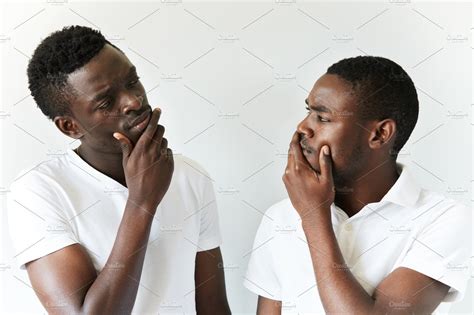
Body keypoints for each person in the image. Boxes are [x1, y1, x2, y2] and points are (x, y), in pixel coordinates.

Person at [7, 25, 230, 314]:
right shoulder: (39, 192)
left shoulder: (191, 176)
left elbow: (213, 308)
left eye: (133, 81)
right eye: (106, 101)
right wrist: (142, 201)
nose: (134, 101)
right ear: (70, 126)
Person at [244, 56, 470, 314]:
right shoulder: (280, 218)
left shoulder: (444, 219)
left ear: (379, 134)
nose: (303, 127)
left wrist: (312, 216)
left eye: (323, 118)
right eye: (309, 111)